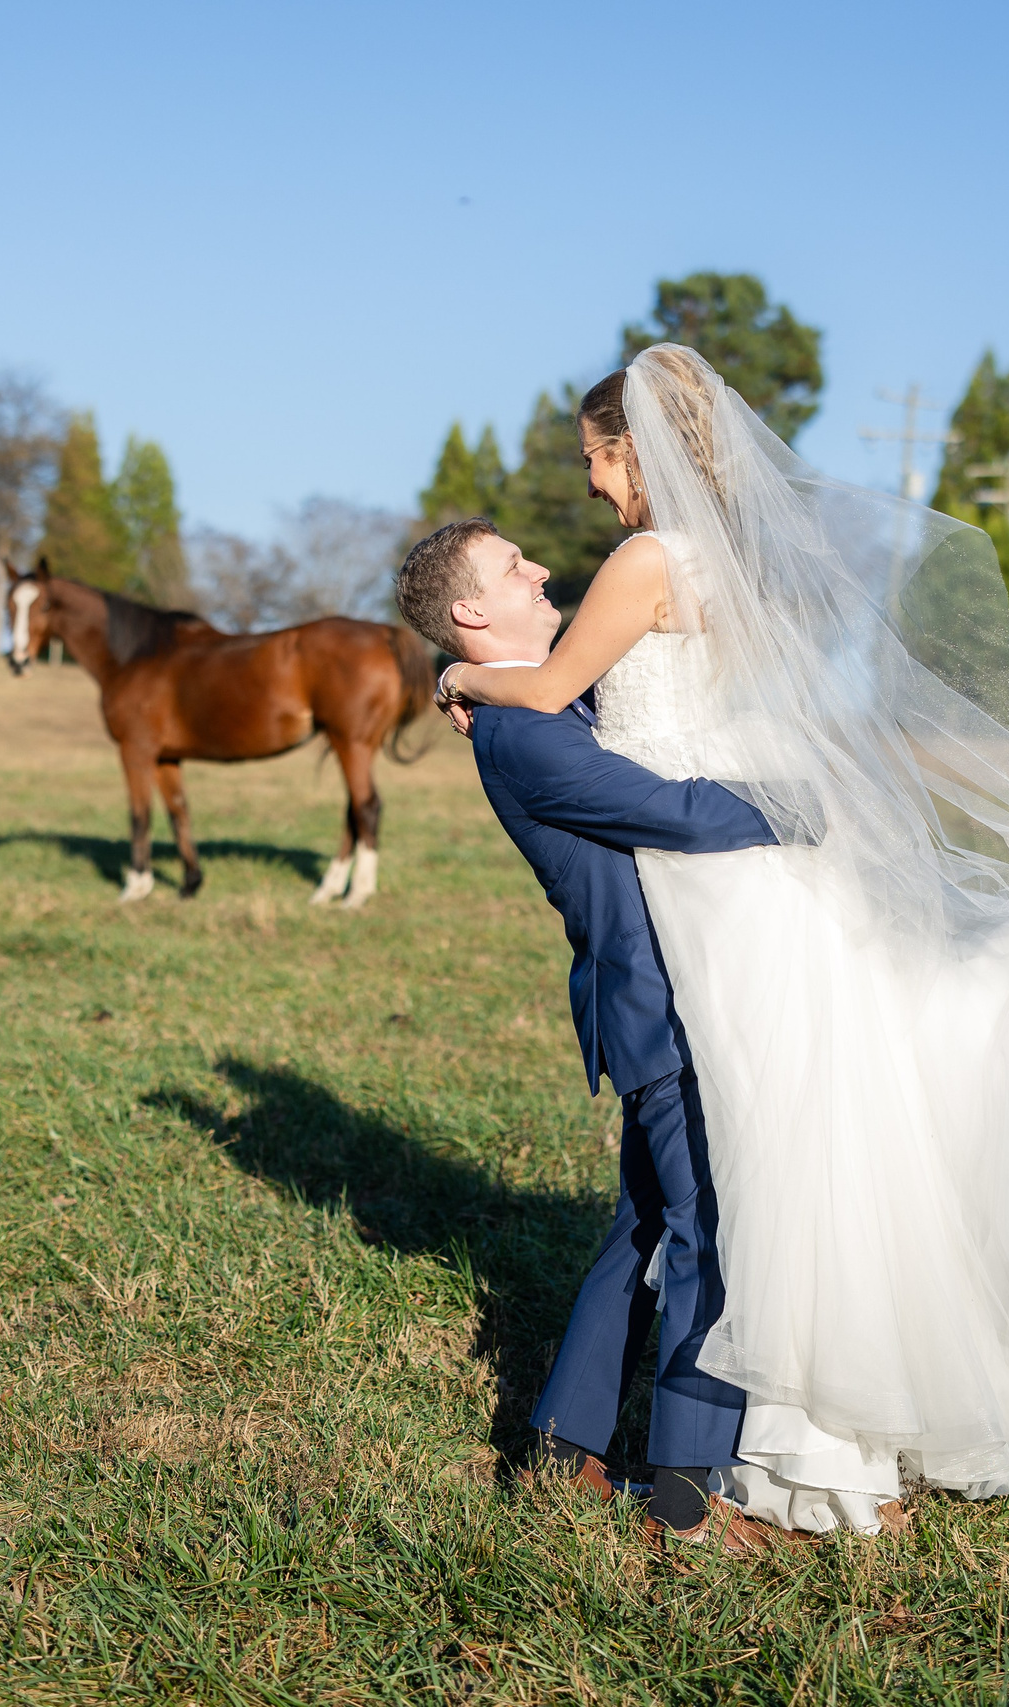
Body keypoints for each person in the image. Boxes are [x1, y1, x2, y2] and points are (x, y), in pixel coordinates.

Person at [433, 344, 1009, 1535]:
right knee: (774, 1159)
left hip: (715, 886)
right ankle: (675, 1447)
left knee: (734, 1189)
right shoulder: (736, 567)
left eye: (593, 456)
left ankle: (709, 1479)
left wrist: (459, 673)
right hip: (759, 877)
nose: (587, 486)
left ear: (638, 448)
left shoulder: (641, 562)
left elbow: (560, 690)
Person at [392, 517, 818, 1553]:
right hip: (659, 1004)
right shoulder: (525, 733)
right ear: (469, 610)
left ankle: (560, 1445)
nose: (541, 568)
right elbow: (676, 812)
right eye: (512, 567)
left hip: (662, 992)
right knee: (705, 1229)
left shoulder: (526, 699)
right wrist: (818, 803)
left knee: (641, 1226)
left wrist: (460, 675)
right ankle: (688, 1495)